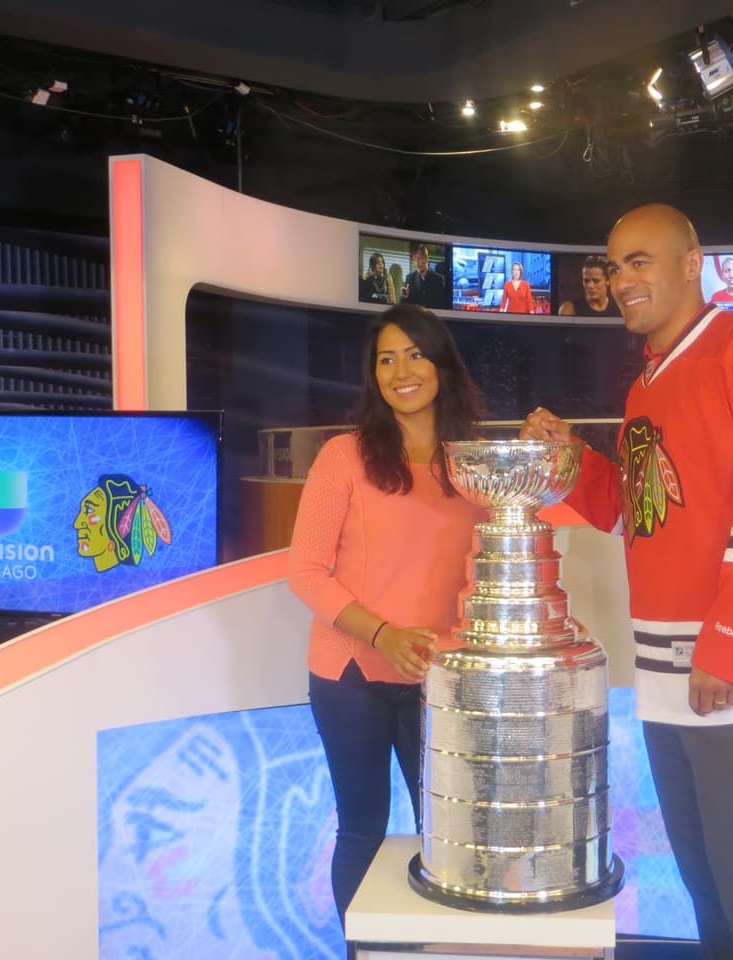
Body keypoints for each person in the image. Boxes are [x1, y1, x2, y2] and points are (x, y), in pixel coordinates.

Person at [521, 204, 733, 960]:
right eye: (612, 266)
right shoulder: (648, 385)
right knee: (711, 893)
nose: (621, 280)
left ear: (691, 261)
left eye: (640, 260)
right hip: (671, 671)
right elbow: (635, 516)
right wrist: (570, 457)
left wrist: (731, 644)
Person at [287, 303, 485, 932]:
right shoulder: (343, 457)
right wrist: (383, 634)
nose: (401, 370)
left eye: (415, 354)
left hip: (444, 679)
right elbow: (305, 572)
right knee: (362, 832)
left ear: (442, 364)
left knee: (451, 838)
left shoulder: (476, 465)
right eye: (386, 359)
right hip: (350, 676)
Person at [401, 243, 449, 309]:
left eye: (420, 258)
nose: (417, 262)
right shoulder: (409, 278)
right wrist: (405, 295)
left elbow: (443, 304)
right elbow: (403, 306)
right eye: (415, 259)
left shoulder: (438, 279)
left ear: (426, 259)